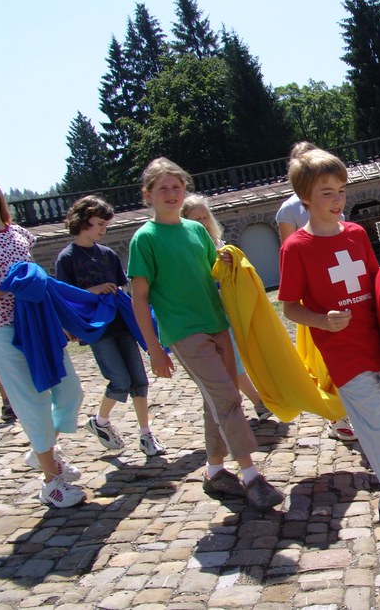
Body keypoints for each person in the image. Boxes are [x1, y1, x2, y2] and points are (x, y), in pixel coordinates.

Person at [278, 145, 380, 569]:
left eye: (341, 190)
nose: (337, 200)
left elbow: (375, 280)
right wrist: (320, 319)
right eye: (327, 192)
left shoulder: (354, 234)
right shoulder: (296, 248)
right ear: (306, 199)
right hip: (345, 356)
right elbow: (289, 305)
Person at [128, 158, 284, 512]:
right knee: (228, 398)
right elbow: (139, 296)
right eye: (162, 188)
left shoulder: (195, 230)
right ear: (147, 194)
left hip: (217, 324)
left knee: (216, 401)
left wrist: (225, 264)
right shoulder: (144, 239)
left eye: (176, 186)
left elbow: (209, 274)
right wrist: (154, 348)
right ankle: (251, 476)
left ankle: (214, 471)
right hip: (184, 333)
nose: (170, 193)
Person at [0, 180, 86, 507]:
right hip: (3, 330)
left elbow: (38, 275)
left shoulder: (18, 233)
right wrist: (13, 286)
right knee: (32, 402)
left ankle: (41, 451)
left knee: (70, 391)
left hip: (38, 321)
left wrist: (61, 317)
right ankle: (51, 482)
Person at [55, 196, 166, 457]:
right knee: (119, 380)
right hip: (97, 330)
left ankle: (145, 434)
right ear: (83, 221)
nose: (103, 230)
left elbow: (122, 286)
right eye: (99, 224)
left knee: (139, 380)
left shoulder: (107, 254)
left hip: (122, 324)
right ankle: (100, 420)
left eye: (106, 225)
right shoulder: (67, 258)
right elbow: (65, 297)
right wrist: (93, 291)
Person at [276, 142, 357, 443]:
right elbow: (293, 249)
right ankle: (337, 415)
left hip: (343, 287)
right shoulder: (289, 209)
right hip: (317, 300)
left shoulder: (332, 198)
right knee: (324, 362)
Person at [181, 194, 273, 422]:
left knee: (237, 357)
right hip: (206, 313)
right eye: (197, 219)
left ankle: (252, 402)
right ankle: (256, 402)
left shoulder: (217, 243)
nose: (203, 222)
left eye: (205, 217)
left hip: (227, 309)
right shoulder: (186, 248)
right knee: (229, 361)